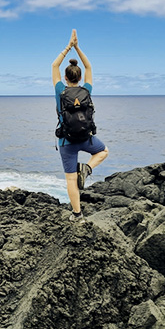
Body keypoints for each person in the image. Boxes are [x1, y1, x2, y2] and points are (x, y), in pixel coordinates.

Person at [52, 29, 109, 222]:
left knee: (70, 179)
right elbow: (89, 66)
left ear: (66, 78)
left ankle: (77, 215)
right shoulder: (87, 90)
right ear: (79, 77)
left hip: (66, 141)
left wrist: (69, 46)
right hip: (86, 138)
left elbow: (54, 65)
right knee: (103, 151)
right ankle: (86, 169)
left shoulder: (60, 90)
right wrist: (78, 47)